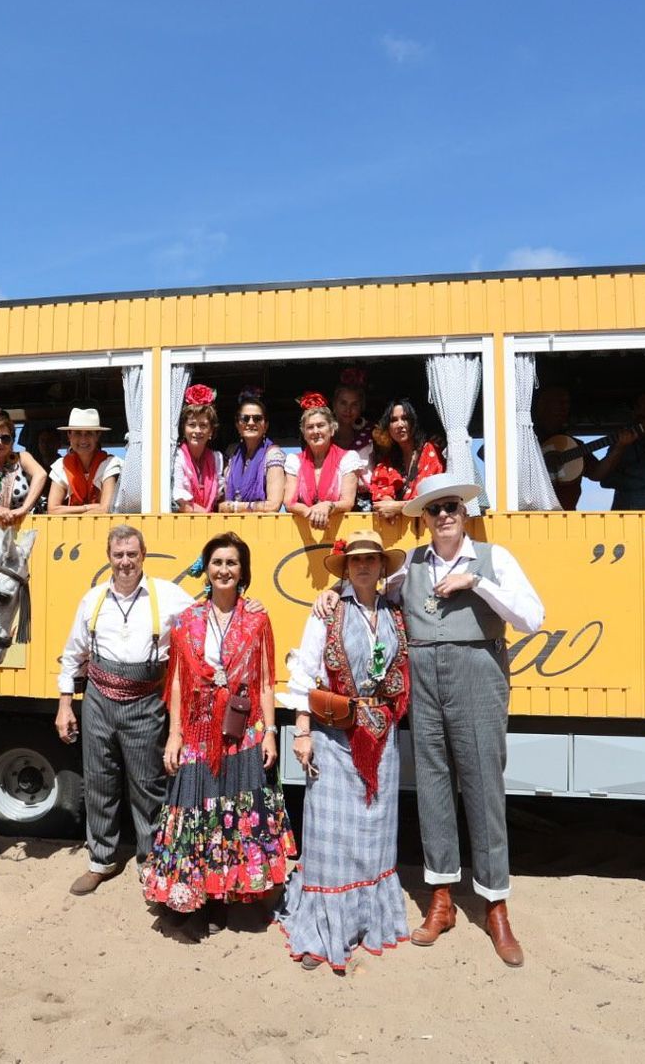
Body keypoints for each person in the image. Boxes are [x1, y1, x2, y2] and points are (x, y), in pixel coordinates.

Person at [395, 473, 543, 965]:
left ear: (465, 513)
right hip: (424, 678)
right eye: (434, 509)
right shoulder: (411, 565)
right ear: (424, 518)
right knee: (433, 785)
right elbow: (371, 590)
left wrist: (476, 582)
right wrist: (334, 595)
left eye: (451, 507)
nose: (443, 516)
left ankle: (495, 905)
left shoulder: (494, 558)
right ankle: (441, 899)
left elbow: (531, 618)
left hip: (478, 672)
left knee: (483, 785)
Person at [142, 533, 294, 930]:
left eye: (232, 563)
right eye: (217, 562)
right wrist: (174, 734)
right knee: (197, 808)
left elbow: (265, 682)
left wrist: (272, 733)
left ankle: (233, 891)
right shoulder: (188, 620)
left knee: (237, 810)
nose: (224, 569)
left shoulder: (257, 618)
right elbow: (176, 683)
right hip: (198, 728)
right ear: (206, 569)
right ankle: (198, 895)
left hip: (244, 729)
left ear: (243, 571)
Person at [276, 531, 411, 973]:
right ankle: (322, 929)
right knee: (330, 835)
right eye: (356, 561)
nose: (364, 566)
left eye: (372, 559)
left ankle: (365, 922)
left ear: (382, 566)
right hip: (335, 737)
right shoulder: (329, 612)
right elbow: (305, 670)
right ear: (346, 568)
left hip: (382, 735)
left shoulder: (395, 612)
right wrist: (301, 731)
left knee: (373, 833)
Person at [56, 525, 195, 895]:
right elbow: (73, 656)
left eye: (132, 554)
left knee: (148, 784)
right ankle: (100, 860)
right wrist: (65, 705)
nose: (125, 562)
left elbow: (207, 617)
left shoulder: (169, 597)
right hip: (98, 701)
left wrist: (249, 601)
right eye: (118, 555)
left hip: (146, 701)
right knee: (99, 780)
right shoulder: (93, 600)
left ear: (143, 554)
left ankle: (149, 860)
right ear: (109, 557)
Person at [284, 392, 362, 529]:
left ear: (332, 429)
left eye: (320, 425)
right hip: (305, 532)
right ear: (304, 434)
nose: (315, 431)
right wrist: (311, 514)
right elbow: (289, 502)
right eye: (310, 427)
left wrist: (327, 506)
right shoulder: (294, 461)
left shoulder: (348, 458)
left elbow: (348, 502)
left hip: (341, 530)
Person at [368, 398, 445, 524]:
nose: (400, 425)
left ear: (414, 422)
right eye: (394, 420)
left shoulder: (431, 451)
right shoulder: (386, 463)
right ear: (387, 427)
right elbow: (381, 497)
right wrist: (388, 501)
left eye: (405, 418)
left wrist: (398, 507)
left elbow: (433, 497)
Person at [218, 388, 286, 513]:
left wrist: (236, 507)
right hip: (229, 525)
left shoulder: (273, 455)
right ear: (238, 425)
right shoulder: (231, 453)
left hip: (262, 526)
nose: (250, 423)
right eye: (245, 418)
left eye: (257, 418)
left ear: (265, 426)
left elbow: (273, 505)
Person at [46, 408, 122, 514]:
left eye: (89, 433)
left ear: (97, 435)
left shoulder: (110, 464)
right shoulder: (60, 466)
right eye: (77, 433)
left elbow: (106, 509)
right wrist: (87, 508)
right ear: (69, 435)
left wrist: (68, 511)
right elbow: (52, 510)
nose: (83, 439)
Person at [172, 385, 225, 514]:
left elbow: (219, 497)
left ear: (211, 431)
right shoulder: (177, 456)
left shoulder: (217, 458)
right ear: (184, 430)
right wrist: (209, 517)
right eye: (192, 425)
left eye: (203, 425)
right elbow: (180, 502)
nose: (197, 431)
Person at [532, 385, 584, 511]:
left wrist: (619, 447)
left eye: (567, 404)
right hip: (528, 516)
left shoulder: (574, 444)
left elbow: (597, 474)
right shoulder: (526, 442)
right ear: (542, 406)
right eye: (560, 403)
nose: (565, 408)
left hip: (566, 518)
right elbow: (484, 452)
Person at [331, 368, 375, 512]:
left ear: (361, 407)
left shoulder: (371, 436)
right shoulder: (323, 437)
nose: (348, 409)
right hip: (331, 502)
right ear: (334, 405)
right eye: (343, 403)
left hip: (365, 502)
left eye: (354, 404)